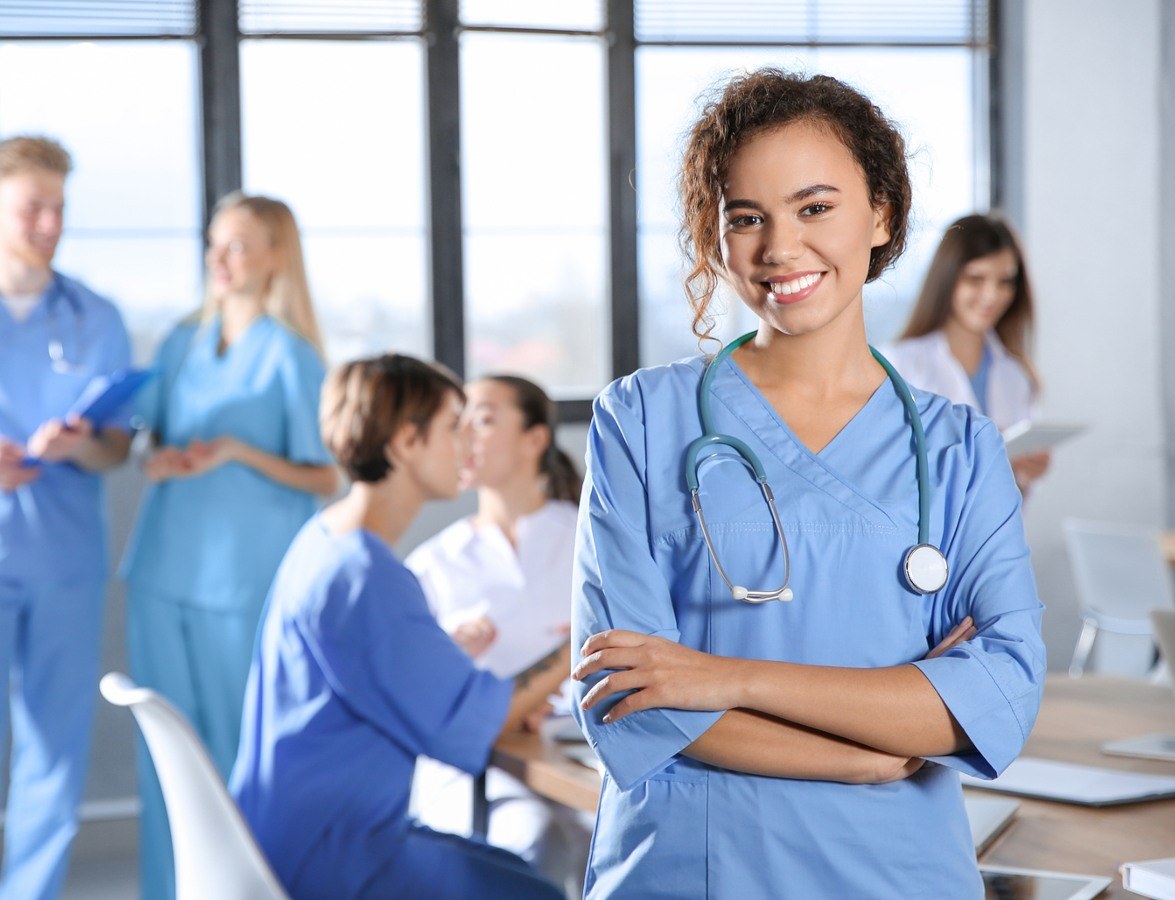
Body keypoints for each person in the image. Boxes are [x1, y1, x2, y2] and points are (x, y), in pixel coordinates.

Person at [569, 69, 1045, 898]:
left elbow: (998, 693)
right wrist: (865, 752)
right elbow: (633, 696)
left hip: (895, 873)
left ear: (882, 213)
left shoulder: (961, 449)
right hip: (695, 868)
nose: (779, 248)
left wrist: (729, 676)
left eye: (814, 207)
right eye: (746, 218)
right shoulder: (641, 421)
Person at [230, 354, 569, 900]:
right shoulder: (366, 576)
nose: (467, 444)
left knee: (522, 873)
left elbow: (394, 670)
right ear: (407, 443)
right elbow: (467, 726)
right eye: (454, 426)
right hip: (335, 854)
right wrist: (578, 646)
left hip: (293, 833)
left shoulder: (327, 541)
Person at [120, 192, 338, 899]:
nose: (220, 257)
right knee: (164, 760)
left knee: (235, 764)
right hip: (160, 572)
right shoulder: (182, 342)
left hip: (243, 584)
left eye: (239, 244)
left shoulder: (290, 354)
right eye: (215, 242)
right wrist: (156, 457)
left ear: (277, 255)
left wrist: (239, 453)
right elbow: (142, 432)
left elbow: (325, 474)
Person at [0, 135, 133, 900]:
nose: (49, 222)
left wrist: (82, 446)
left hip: (64, 560)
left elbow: (117, 446)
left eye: (60, 208)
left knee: (54, 753)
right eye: (32, 207)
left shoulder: (95, 316)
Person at [406, 375, 589, 890]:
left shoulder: (589, 539)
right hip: (472, 775)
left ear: (535, 439)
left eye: (483, 418)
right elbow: (420, 697)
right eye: (459, 420)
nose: (465, 432)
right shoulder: (433, 565)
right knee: (533, 839)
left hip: (575, 758)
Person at [884, 213, 1049, 493]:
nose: (991, 295)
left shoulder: (1016, 375)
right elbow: (887, 468)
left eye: (1005, 281)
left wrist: (1027, 471)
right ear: (948, 278)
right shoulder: (902, 364)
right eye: (976, 278)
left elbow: (1011, 495)